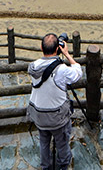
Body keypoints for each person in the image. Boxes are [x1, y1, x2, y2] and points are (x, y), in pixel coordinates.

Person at [26, 34, 83, 170]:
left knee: (44, 141)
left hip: (38, 114)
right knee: (62, 142)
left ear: (41, 47)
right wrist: (67, 54)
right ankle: (63, 164)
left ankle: (46, 166)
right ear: (58, 48)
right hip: (56, 117)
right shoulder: (61, 70)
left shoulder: (33, 66)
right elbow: (78, 73)